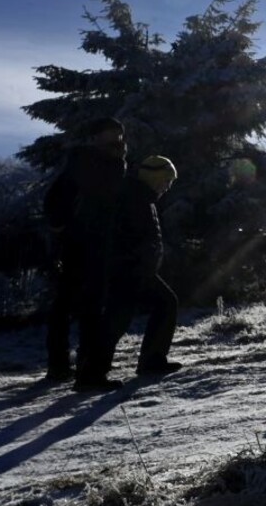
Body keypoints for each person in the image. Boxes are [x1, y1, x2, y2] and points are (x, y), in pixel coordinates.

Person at [42, 117, 128, 391]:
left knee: (68, 305)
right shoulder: (91, 161)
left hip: (86, 241)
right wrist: (64, 229)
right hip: (87, 243)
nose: (117, 138)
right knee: (89, 307)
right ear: (97, 137)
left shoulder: (103, 160)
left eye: (119, 134)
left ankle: (61, 368)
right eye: (110, 133)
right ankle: (87, 374)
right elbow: (58, 198)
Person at [99, 156, 181, 380]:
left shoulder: (142, 197)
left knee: (158, 305)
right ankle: (92, 372)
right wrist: (139, 263)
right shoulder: (136, 198)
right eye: (167, 181)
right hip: (130, 269)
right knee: (119, 318)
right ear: (155, 178)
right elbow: (131, 236)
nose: (168, 186)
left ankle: (151, 360)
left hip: (136, 268)